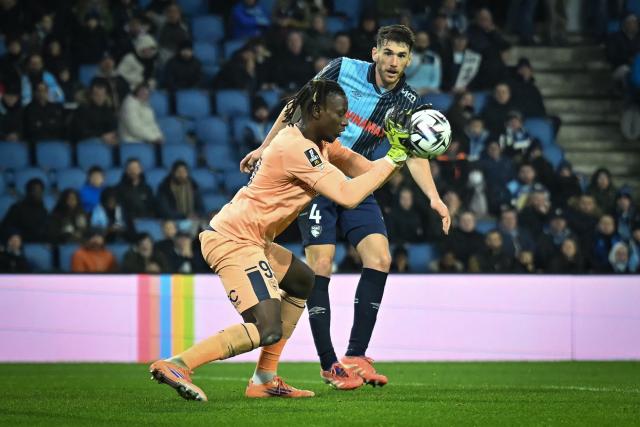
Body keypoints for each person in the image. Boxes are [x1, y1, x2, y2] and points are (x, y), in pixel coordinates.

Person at [149, 78, 412, 400]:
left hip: (254, 239)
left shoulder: (319, 143)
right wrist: (395, 158)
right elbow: (347, 194)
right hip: (234, 240)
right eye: (340, 114)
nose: (346, 120)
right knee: (267, 327)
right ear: (316, 111)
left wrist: (398, 155)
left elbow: (364, 169)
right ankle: (178, 364)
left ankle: (264, 379)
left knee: (303, 282)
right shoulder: (297, 148)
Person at [239, 25, 451, 389]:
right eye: (387, 52)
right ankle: (328, 364)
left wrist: (433, 196)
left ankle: (356, 354)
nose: (393, 61)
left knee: (380, 258)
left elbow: (416, 154)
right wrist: (264, 147)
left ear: (409, 60)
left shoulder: (408, 103)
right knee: (321, 264)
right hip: (316, 176)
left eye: (401, 55)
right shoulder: (341, 70)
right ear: (374, 53)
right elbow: (296, 106)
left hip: (355, 183)